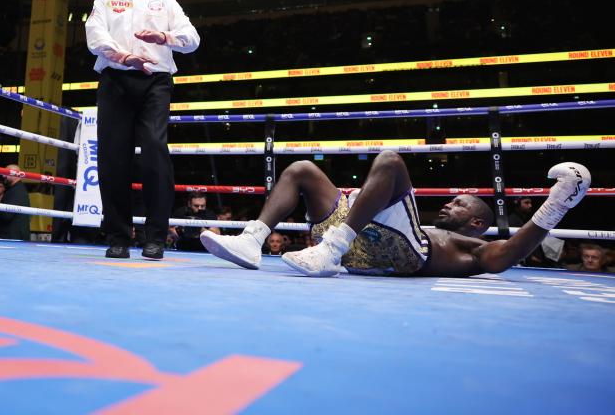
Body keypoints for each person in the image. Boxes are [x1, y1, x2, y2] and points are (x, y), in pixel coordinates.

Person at [201, 151, 591, 278]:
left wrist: (555, 204)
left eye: (460, 203)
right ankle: (250, 241)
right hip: (361, 238)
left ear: (477, 222)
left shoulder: (461, 244)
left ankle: (331, 248)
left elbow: (505, 255)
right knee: (302, 168)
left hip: (400, 251)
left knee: (389, 160)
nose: (449, 203)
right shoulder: (424, 222)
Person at [85, 0, 200, 261]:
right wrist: (124, 56)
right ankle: (118, 237)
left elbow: (192, 39)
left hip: (156, 83)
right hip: (116, 81)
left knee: (154, 149)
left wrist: (164, 38)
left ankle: (156, 238)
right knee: (112, 158)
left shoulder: (166, 2)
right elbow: (94, 36)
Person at [0, 166, 31, 241]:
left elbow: (7, 215)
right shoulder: (16, 189)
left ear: (15, 174)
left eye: (6, 173)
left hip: (12, 238)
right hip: (13, 237)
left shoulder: (16, 191)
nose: (3, 176)